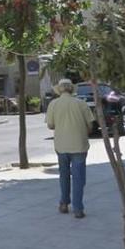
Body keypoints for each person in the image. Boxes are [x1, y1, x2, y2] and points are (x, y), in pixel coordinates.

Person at [45, 78, 95, 219]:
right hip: (79, 145)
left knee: (64, 175)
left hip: (61, 145)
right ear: (72, 89)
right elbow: (90, 126)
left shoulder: (53, 104)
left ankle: (64, 203)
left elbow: (50, 125)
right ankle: (78, 209)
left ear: (59, 89)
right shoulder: (81, 103)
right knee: (79, 178)